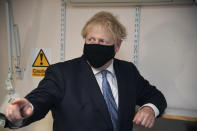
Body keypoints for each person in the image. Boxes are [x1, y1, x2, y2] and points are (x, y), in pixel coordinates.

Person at [5, 11, 167, 131]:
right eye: (91, 40)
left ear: (117, 46)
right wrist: (28, 106)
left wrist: (149, 108)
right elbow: (42, 96)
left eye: (102, 41)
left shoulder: (128, 71)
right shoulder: (62, 73)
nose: (95, 45)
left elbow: (156, 96)